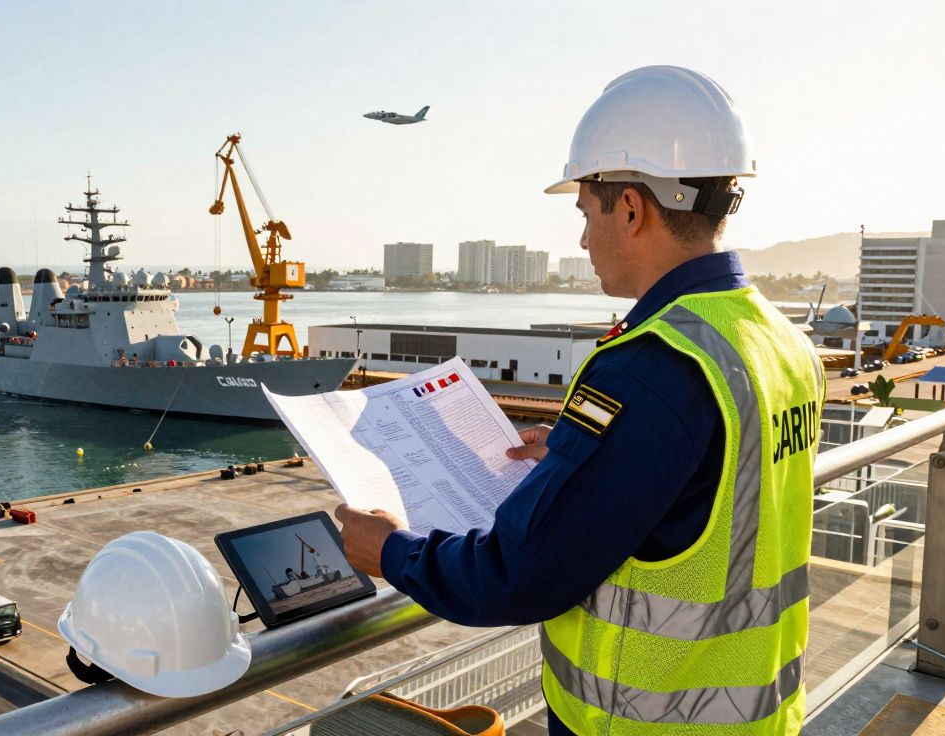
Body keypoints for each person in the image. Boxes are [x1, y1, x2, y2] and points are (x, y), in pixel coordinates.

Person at [336, 66, 824, 736]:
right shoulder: (777, 339)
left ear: (631, 209)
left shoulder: (650, 368)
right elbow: (705, 496)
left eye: (587, 213)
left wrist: (391, 551)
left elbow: (518, 575)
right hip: (758, 718)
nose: (583, 240)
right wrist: (579, 457)